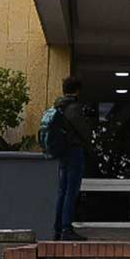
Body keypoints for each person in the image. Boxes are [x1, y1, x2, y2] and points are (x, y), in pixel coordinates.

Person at [46, 76, 95, 242]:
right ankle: (67, 229)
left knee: (62, 191)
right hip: (73, 151)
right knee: (71, 191)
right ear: (77, 90)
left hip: (62, 152)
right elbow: (85, 132)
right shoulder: (73, 108)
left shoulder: (58, 106)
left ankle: (58, 229)